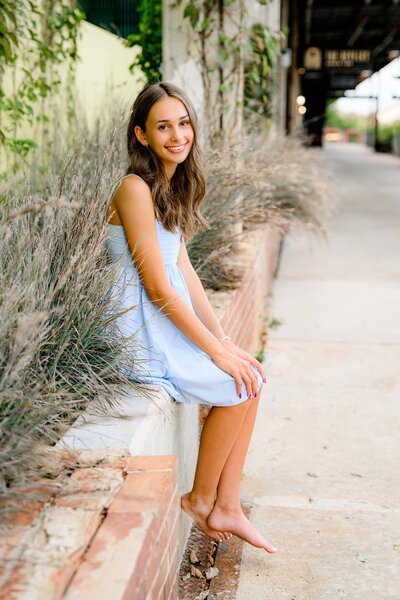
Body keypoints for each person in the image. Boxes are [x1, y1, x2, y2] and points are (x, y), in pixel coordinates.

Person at [106, 82, 277, 553]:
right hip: (140, 321)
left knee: (251, 377)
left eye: (183, 123)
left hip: (162, 310)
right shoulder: (134, 188)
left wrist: (225, 339)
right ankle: (201, 499)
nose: (178, 135)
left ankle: (227, 505)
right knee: (236, 385)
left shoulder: (169, 185)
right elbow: (157, 287)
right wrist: (215, 351)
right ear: (141, 135)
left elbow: (183, 272)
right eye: (164, 126)